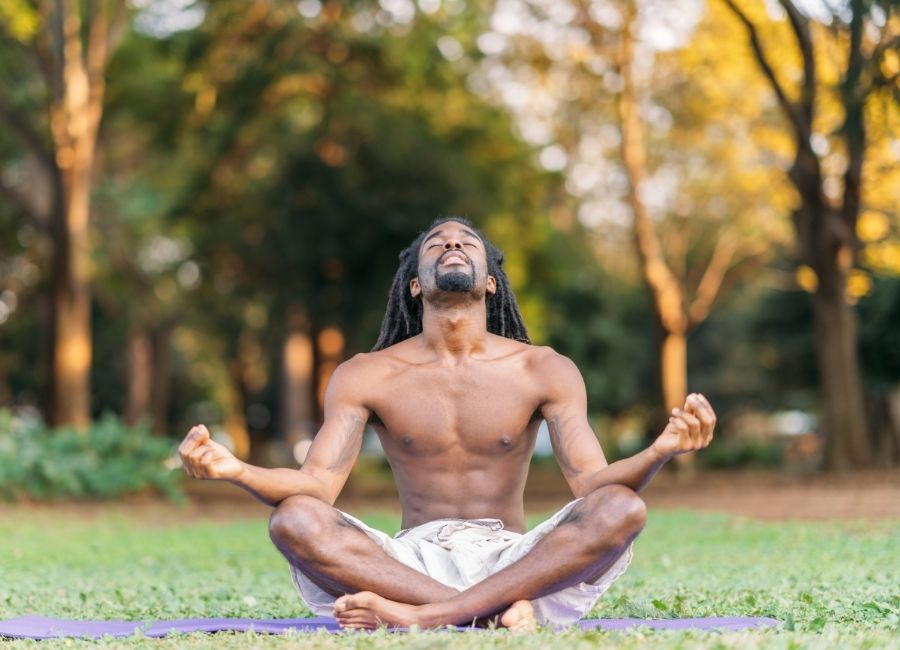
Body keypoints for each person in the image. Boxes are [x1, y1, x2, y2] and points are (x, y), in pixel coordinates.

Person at [178, 217, 716, 631]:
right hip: (407, 563)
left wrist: (660, 451)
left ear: (489, 284)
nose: (453, 245)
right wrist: (237, 469)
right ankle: (484, 616)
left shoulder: (543, 368)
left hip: (516, 559)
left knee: (625, 507)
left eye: (467, 243)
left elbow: (593, 487)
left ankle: (428, 617)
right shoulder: (367, 373)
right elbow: (318, 486)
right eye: (437, 244)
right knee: (294, 520)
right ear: (415, 285)